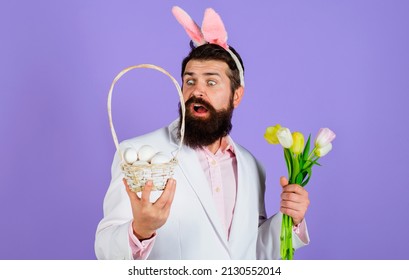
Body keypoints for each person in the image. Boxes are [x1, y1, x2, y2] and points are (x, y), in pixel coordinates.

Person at [95, 7, 310, 260]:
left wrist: (291, 220)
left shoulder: (252, 166)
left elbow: (252, 251)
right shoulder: (138, 156)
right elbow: (105, 251)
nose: (197, 91)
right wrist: (140, 231)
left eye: (211, 82)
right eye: (190, 81)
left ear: (236, 95)